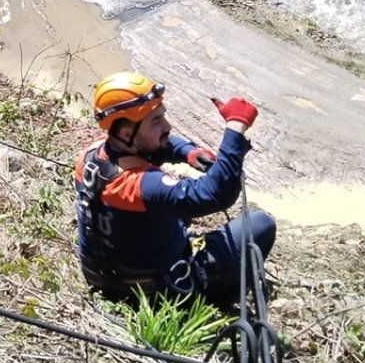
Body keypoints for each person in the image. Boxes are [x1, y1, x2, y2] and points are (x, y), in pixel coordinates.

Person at [72, 71, 275, 305]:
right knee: (261, 224)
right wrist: (235, 128)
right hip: (157, 294)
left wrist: (189, 152)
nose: (167, 126)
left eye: (163, 117)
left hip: (107, 279)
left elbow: (153, 146)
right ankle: (225, 297)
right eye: (156, 121)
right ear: (127, 133)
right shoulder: (141, 187)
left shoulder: (93, 154)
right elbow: (216, 193)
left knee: (178, 209)